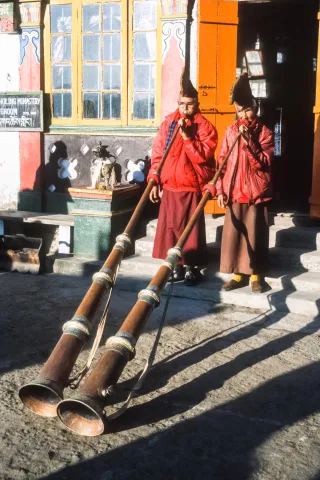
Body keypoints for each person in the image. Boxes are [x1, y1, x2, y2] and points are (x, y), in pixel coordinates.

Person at [148, 77, 218, 285]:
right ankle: (175, 265)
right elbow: (158, 152)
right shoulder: (168, 122)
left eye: (189, 104)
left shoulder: (205, 127)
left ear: (197, 104)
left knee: (191, 229)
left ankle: (191, 267)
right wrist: (154, 179)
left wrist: (187, 137)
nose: (185, 108)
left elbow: (202, 156)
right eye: (181, 104)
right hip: (170, 184)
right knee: (171, 228)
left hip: (191, 185)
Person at [216, 73, 274, 293]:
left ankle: (256, 276)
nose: (244, 115)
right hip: (234, 191)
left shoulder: (265, 133)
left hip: (255, 191)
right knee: (235, 236)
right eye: (240, 111)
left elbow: (262, 163)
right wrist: (221, 190)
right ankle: (238, 274)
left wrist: (249, 141)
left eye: (248, 109)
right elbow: (221, 162)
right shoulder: (230, 132)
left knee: (255, 234)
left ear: (255, 108)